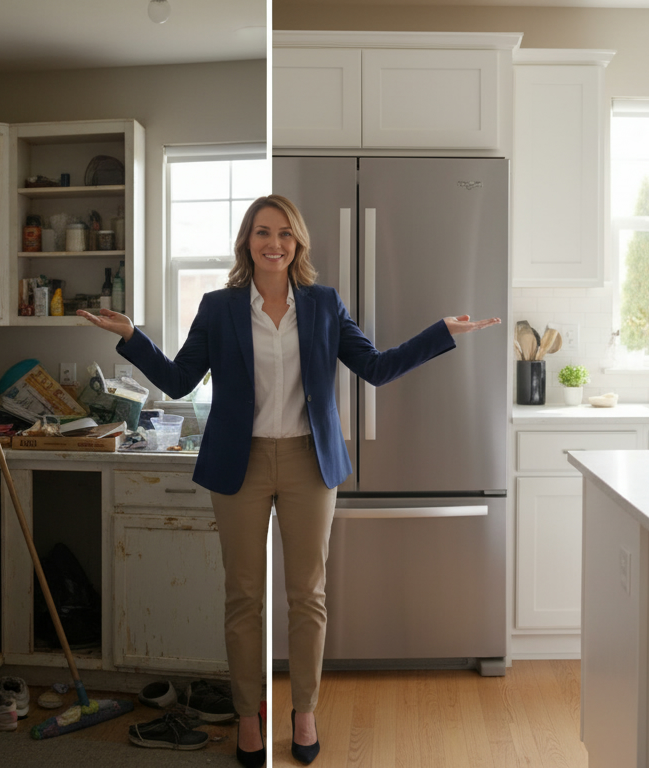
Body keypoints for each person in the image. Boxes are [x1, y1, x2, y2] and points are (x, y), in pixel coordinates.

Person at [77, 195, 498, 766]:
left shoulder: (323, 305)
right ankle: (248, 718)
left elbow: (374, 368)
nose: (273, 244)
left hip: (308, 462)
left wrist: (440, 333)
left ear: (297, 243)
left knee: (308, 596)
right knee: (244, 597)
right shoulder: (219, 307)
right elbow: (178, 381)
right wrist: (131, 336)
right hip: (239, 463)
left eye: (283, 234)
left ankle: (304, 713)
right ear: (247, 242)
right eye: (261, 232)